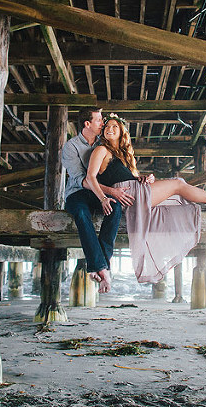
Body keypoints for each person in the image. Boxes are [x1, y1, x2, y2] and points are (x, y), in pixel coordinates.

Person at [83, 113, 206, 285]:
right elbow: (90, 177)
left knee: (176, 193)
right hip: (128, 196)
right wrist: (103, 198)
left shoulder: (122, 155)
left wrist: (143, 179)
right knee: (177, 185)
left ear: (122, 132)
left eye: (115, 126)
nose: (109, 129)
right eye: (107, 127)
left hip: (135, 191)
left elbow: (122, 176)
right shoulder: (101, 150)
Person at [61, 107, 134, 293]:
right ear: (87, 124)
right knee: (81, 213)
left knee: (115, 208)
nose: (103, 123)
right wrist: (108, 194)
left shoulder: (103, 144)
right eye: (99, 120)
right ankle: (103, 268)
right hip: (77, 193)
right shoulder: (71, 147)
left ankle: (99, 264)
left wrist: (139, 178)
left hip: (99, 193)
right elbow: (82, 180)